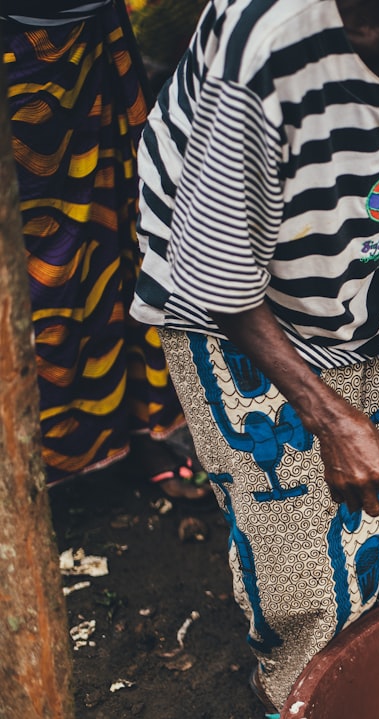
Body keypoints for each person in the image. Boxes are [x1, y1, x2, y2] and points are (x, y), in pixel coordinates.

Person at [129, 0, 379, 710]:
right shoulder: (269, 39)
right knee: (308, 551)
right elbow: (217, 270)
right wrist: (331, 420)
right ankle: (307, 693)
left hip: (372, 247)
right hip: (237, 292)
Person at [2, 0, 210, 502]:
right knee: (26, 258)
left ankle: (126, 433)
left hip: (89, 39)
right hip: (19, 57)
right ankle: (27, 461)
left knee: (114, 231)